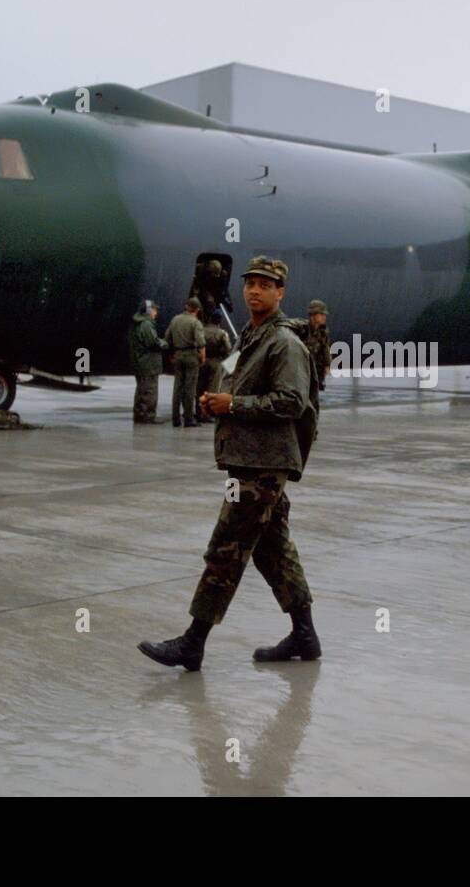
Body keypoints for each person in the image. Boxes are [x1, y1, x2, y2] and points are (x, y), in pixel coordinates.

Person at [138, 256, 320, 671]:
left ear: (280, 293)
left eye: (264, 284)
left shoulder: (285, 343)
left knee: (227, 547)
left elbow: (293, 402)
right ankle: (305, 635)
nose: (254, 290)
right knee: (272, 549)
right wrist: (217, 401)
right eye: (250, 283)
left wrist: (233, 404)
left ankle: (192, 642)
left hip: (264, 465)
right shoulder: (251, 337)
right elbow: (237, 382)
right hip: (249, 459)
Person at [166, 298, 206, 427]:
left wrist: (171, 354)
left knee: (177, 388)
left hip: (177, 355)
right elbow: (200, 343)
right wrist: (202, 358)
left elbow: (168, 338)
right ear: (197, 309)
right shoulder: (196, 323)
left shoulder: (175, 320)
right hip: (191, 356)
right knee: (190, 388)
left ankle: (175, 419)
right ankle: (188, 419)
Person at [128, 300, 169, 424]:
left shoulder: (137, 323)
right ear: (149, 310)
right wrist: (165, 343)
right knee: (149, 391)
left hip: (141, 362)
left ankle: (139, 415)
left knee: (141, 391)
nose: (156, 312)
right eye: (155, 310)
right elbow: (153, 342)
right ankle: (148, 417)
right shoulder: (146, 324)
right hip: (148, 364)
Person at [196, 313, 233, 421]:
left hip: (201, 361)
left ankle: (198, 412)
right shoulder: (221, 333)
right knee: (212, 387)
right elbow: (228, 349)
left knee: (199, 387)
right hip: (216, 362)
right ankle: (208, 413)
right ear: (219, 321)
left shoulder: (201, 330)